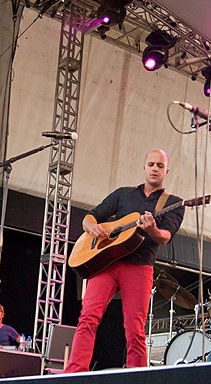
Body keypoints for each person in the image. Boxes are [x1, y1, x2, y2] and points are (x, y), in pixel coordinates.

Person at [65, 148, 184, 372]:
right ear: (144, 167)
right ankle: (74, 372)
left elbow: (165, 237)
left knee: (135, 329)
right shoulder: (123, 194)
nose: (155, 169)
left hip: (139, 266)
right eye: (151, 164)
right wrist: (91, 226)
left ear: (167, 171)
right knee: (87, 318)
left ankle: (136, 376)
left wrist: (153, 230)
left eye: (160, 166)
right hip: (106, 263)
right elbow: (91, 216)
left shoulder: (173, 203)